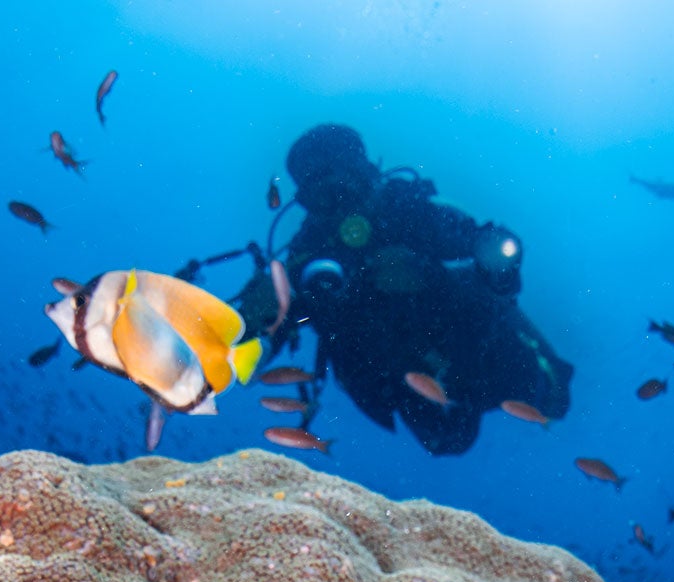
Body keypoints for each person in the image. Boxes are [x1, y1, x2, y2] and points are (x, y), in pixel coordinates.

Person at [231, 125, 573, 455]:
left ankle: (523, 362)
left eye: (346, 180)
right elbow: (249, 347)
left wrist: (428, 272)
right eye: (323, 194)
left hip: (469, 343)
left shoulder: (409, 210)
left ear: (367, 172)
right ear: (307, 201)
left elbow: (493, 261)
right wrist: (248, 321)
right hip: (395, 375)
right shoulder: (306, 255)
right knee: (447, 440)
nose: (340, 201)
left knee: (553, 399)